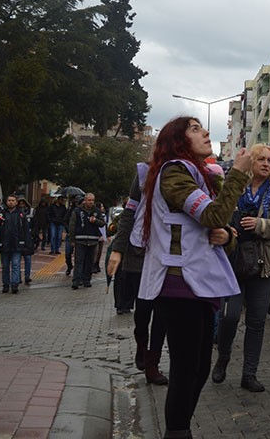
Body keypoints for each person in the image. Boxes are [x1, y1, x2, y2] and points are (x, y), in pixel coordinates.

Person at [138, 116, 251, 438]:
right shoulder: (174, 172)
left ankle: (179, 428)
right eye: (195, 129)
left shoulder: (197, 174)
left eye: (203, 127)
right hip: (178, 284)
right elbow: (213, 215)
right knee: (187, 367)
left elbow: (217, 226)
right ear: (178, 140)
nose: (206, 133)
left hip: (199, 282)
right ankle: (177, 430)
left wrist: (228, 236)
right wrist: (239, 172)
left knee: (200, 366)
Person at [212, 143, 270, 393]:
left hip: (263, 264)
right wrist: (227, 229)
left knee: (257, 322)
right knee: (229, 317)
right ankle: (223, 357)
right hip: (232, 262)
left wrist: (260, 225)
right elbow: (217, 216)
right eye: (261, 160)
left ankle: (249, 373)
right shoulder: (234, 187)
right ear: (251, 163)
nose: (266, 164)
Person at [107, 163, 169, 386]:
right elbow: (129, 212)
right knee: (142, 311)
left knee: (161, 313)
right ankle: (141, 346)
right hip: (138, 251)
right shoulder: (144, 174)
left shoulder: (182, 173)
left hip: (164, 252)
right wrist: (117, 249)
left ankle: (153, 363)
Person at [67, 193, 105, 290]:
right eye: (89, 200)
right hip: (80, 239)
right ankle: (76, 280)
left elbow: (102, 223)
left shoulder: (96, 211)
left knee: (89, 262)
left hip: (93, 240)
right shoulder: (78, 211)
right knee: (79, 261)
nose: (91, 202)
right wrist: (72, 239)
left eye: (92, 200)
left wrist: (95, 220)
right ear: (85, 200)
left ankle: (87, 280)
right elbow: (72, 225)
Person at [0, 195, 29, 294]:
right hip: (5, 243)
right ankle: (5, 284)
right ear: (6, 202)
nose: (11, 202)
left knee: (16, 264)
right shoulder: (2, 214)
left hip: (17, 243)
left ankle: (14, 284)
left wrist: (25, 243)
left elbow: (25, 230)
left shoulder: (21, 215)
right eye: (9, 200)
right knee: (5, 266)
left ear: (16, 202)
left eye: (13, 200)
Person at [16, 197, 36, 285]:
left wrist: (33, 235)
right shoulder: (15, 213)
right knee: (17, 260)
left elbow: (35, 224)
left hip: (28, 238)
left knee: (27, 258)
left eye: (23, 203)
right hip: (18, 238)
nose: (21, 205)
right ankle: (18, 277)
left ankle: (27, 277)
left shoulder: (31, 212)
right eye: (19, 203)